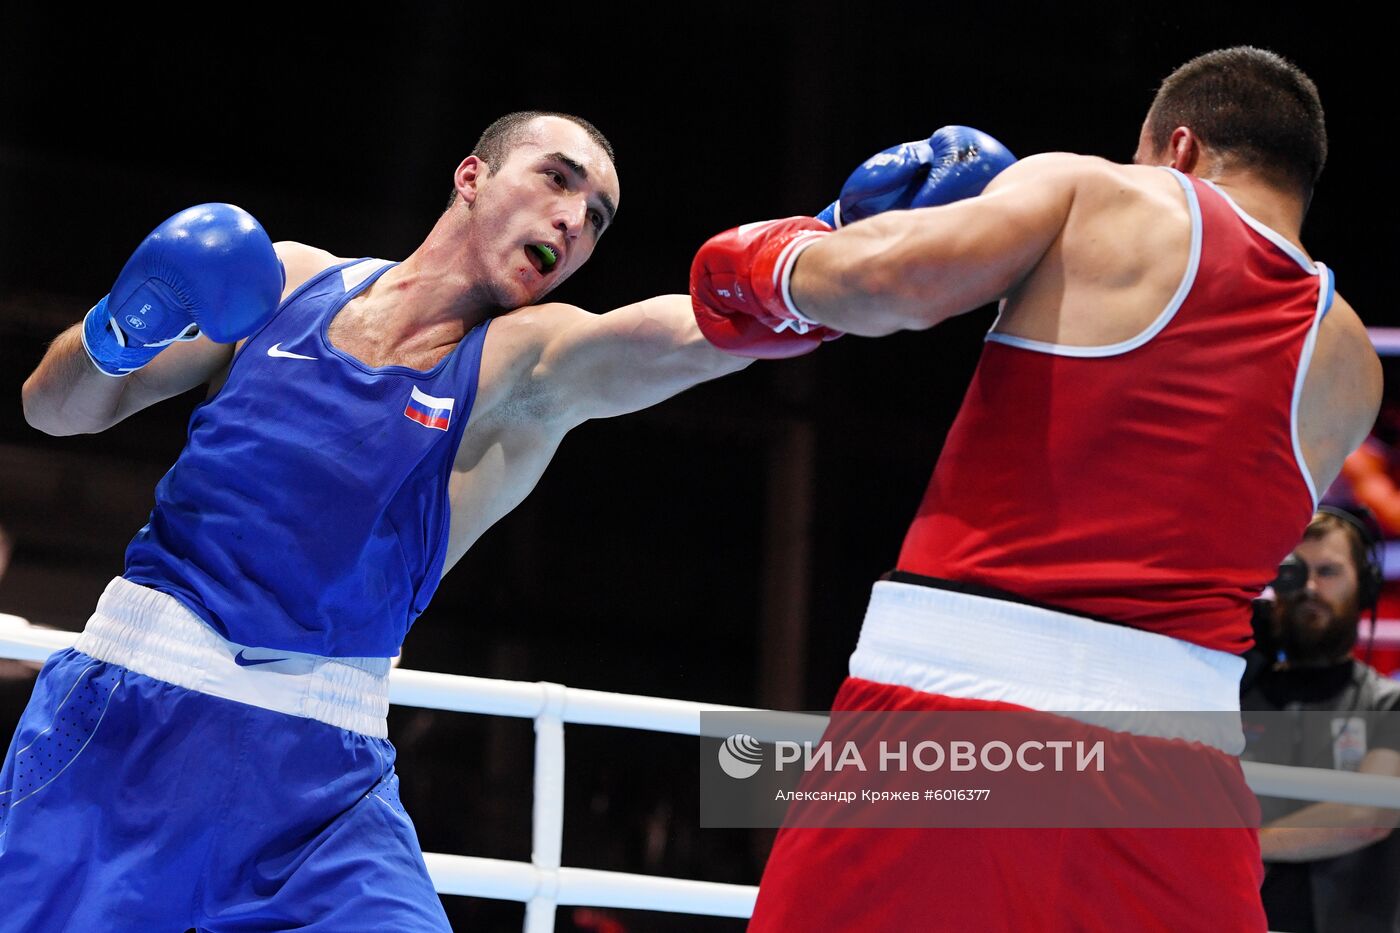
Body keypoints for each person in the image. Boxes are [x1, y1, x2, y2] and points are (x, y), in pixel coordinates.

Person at [2, 110, 1010, 930]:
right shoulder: (287, 281)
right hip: (127, 726)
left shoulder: (519, 368)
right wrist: (118, 331)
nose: (575, 221)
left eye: (600, 217)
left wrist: (830, 241)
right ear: (471, 176)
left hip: (318, 791)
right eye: (558, 179)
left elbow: (673, 339)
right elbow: (54, 408)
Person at [691, 47, 1382, 931]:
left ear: (1177, 150)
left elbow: (889, 281)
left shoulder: (1102, 192)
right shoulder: (1353, 366)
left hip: (956, 720)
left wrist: (771, 261)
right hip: (1183, 774)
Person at [1242, 507, 1400, 933]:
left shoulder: (1390, 703)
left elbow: (1365, 817)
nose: (1310, 588)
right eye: (1295, 572)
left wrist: (1234, 849)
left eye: (1328, 571)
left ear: (1364, 586)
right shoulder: (1232, 694)